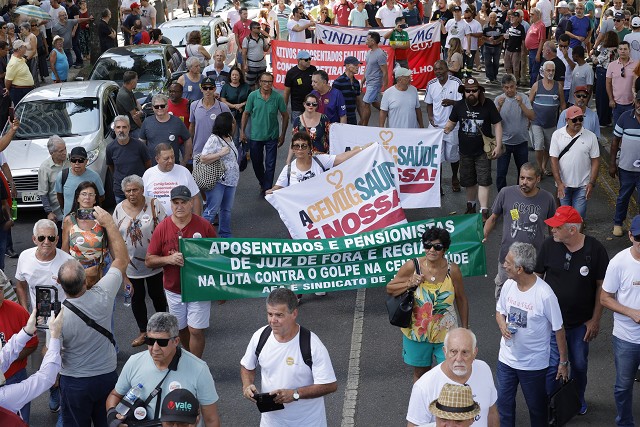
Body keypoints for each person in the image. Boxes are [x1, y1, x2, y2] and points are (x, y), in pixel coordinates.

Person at [57, 205, 127, 427]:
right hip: (106, 376)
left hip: (74, 382)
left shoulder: (57, 317)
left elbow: (51, 353)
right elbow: (121, 260)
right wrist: (110, 224)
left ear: (59, 284)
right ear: (86, 281)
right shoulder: (103, 295)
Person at [535, 205, 609, 416]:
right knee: (552, 367)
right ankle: (553, 403)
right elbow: (537, 279)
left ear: (572, 230)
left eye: (557, 228)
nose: (552, 231)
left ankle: (576, 399)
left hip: (580, 325)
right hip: (551, 323)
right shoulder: (549, 245)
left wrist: (595, 320)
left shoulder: (595, 250)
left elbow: (601, 287)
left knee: (579, 365)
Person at [495, 242, 568, 427]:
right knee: (504, 406)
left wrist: (563, 362)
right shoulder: (508, 285)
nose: (504, 265)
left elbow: (558, 329)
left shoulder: (545, 294)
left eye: (508, 263)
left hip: (533, 365)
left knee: (537, 410)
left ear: (520, 269)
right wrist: (502, 325)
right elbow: (499, 311)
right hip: (506, 360)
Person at [240, 288, 338, 425]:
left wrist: (295, 394)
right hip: (271, 422)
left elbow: (330, 385)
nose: (273, 320)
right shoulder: (260, 336)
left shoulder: (312, 344)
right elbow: (247, 366)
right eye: (269, 314)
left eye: (279, 315)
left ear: (294, 313)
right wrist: (247, 385)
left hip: (307, 423)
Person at [106, 313, 220, 426]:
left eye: (162, 342)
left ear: (176, 341)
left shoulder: (199, 369)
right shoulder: (134, 362)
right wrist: (112, 416)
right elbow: (115, 395)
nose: (155, 348)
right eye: (150, 341)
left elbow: (211, 419)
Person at [386, 227, 469, 382]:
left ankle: (443, 405)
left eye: (437, 247)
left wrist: (464, 329)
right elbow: (390, 288)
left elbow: (461, 299)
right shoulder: (413, 266)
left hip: (446, 334)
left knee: (449, 375)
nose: (431, 250)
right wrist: (409, 283)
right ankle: (422, 405)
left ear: (445, 249)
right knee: (421, 375)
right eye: (427, 245)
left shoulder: (453, 270)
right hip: (417, 333)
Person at [146, 186, 216, 359]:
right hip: (173, 289)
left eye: (183, 202)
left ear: (191, 203)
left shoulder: (204, 226)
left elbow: (218, 256)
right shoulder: (163, 227)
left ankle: (196, 364)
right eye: (175, 203)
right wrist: (168, 260)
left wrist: (219, 289)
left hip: (199, 288)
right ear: (171, 204)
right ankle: (190, 358)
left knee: (196, 330)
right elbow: (149, 260)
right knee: (181, 329)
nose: (179, 206)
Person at [483, 162, 555, 299]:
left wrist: (553, 249)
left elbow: (553, 227)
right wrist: (484, 233)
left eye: (529, 179)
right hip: (507, 257)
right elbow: (493, 218)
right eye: (522, 178)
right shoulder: (506, 193)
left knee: (531, 296)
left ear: (538, 179)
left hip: (534, 260)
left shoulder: (547, 198)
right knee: (503, 294)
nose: (524, 182)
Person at [113, 175, 166, 347]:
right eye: (128, 191)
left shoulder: (154, 204)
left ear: (142, 189)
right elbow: (114, 238)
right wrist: (118, 264)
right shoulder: (118, 209)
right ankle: (143, 331)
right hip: (130, 266)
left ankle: (162, 328)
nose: (131, 194)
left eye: (135, 190)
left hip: (153, 263)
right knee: (137, 298)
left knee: (157, 295)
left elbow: (164, 230)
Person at [406, 328, 498, 427]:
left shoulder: (484, 369)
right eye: (453, 351)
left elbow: (492, 412)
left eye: (465, 352)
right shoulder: (423, 387)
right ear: (444, 352)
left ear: (474, 352)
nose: (459, 359)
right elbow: (413, 425)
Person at [600, 214, 640, 427]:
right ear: (631, 236)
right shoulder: (619, 262)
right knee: (624, 385)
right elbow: (605, 297)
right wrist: (631, 312)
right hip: (626, 338)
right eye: (639, 237)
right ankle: (625, 422)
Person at [444, 77, 502, 219]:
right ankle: (470, 206)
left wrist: (499, 145)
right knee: (468, 181)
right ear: (464, 92)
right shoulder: (459, 106)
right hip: (465, 152)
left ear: (479, 91)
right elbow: (450, 123)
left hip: (483, 151)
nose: (471, 93)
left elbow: (498, 124)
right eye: (467, 91)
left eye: (474, 90)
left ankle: (484, 211)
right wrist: (444, 130)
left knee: (483, 181)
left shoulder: (488, 104)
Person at [0, 303, 64, 422]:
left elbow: (4, 356)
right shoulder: (4, 398)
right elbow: (45, 378)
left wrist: (27, 331)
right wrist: (55, 337)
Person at [241, 72, 288, 197]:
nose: (267, 84)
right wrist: (242, 132)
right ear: (260, 82)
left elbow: (285, 115)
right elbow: (246, 114)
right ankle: (263, 182)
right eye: (264, 81)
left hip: (272, 136)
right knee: (257, 163)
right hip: (255, 136)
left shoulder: (277, 97)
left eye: (269, 82)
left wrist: (283, 134)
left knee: (270, 164)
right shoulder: (253, 96)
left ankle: (267, 188)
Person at [268, 131, 365, 192]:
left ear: (310, 148)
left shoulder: (320, 160)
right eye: (296, 146)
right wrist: (271, 191)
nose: (300, 149)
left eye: (304, 146)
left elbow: (341, 158)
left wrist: (363, 149)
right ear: (293, 149)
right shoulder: (288, 169)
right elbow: (279, 187)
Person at [549, 105, 600, 220]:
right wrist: (559, 183)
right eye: (574, 119)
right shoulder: (557, 135)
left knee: (578, 218)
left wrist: (591, 183)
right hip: (564, 185)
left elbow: (596, 160)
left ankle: (577, 235)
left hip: (583, 185)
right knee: (564, 218)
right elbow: (553, 160)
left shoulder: (591, 136)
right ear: (567, 120)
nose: (578, 122)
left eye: (581, 119)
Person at [61, 181, 109, 287]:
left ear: (95, 199)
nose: (87, 197)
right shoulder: (69, 220)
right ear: (77, 198)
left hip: (100, 269)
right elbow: (64, 249)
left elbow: (112, 246)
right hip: (77, 270)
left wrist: (123, 276)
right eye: (83, 194)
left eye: (91, 194)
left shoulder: (103, 218)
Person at [200, 112, 239, 237]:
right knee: (212, 210)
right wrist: (220, 154)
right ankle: (198, 235)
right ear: (227, 124)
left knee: (226, 210)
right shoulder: (214, 139)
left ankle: (225, 234)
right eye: (232, 122)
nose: (234, 124)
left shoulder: (229, 137)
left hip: (231, 181)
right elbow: (203, 158)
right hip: (218, 181)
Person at [426, 60, 462, 193]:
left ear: (447, 69)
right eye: (436, 69)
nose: (438, 72)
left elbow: (463, 103)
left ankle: (454, 177)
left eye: (441, 69)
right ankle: (438, 184)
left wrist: (452, 102)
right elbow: (429, 103)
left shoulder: (456, 82)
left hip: (452, 126)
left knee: (453, 155)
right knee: (437, 158)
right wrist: (430, 117)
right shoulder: (431, 84)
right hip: (436, 128)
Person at [494, 74, 534, 192]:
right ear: (502, 87)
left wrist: (521, 104)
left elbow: (532, 116)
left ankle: (520, 195)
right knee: (501, 173)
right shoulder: (498, 99)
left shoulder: (523, 98)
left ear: (516, 86)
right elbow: (493, 122)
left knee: (523, 174)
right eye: (506, 87)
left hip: (521, 142)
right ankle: (502, 197)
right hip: (504, 143)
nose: (509, 90)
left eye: (512, 87)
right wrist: (499, 107)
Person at [610, 92, 640, 236]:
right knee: (623, 197)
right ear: (635, 101)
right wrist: (612, 164)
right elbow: (615, 141)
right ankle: (618, 223)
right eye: (639, 101)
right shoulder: (624, 117)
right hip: (626, 168)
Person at [142, 144, 202, 216]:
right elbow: (142, 200)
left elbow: (195, 198)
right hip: (156, 222)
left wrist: (196, 220)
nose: (170, 161)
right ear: (157, 159)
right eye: (166, 158)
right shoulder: (148, 174)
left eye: (172, 157)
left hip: (182, 221)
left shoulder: (184, 172)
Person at [529, 61, 566, 177]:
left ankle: (544, 166)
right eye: (548, 70)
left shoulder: (558, 86)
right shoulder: (537, 85)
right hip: (537, 122)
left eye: (552, 70)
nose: (550, 73)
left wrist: (563, 120)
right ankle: (539, 168)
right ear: (543, 71)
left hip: (551, 123)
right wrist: (527, 119)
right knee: (539, 144)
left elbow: (563, 104)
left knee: (549, 147)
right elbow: (529, 103)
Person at [107, 115, 151, 203]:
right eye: (118, 127)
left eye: (124, 127)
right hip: (120, 192)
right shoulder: (110, 148)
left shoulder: (140, 145)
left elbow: (148, 165)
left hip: (138, 191)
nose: (121, 130)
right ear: (114, 129)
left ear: (129, 128)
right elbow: (111, 167)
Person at [189, 76, 231, 164]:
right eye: (205, 88)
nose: (208, 90)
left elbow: (233, 123)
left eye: (210, 88)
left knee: (216, 177)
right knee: (198, 177)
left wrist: (228, 141)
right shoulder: (194, 105)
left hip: (217, 150)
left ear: (215, 89)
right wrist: (190, 147)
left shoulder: (222, 107)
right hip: (198, 150)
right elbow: (192, 126)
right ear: (201, 89)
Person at [141, 95, 192, 166]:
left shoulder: (177, 122)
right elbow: (141, 143)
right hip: (153, 167)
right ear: (152, 108)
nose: (159, 108)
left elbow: (188, 139)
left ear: (167, 106)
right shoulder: (147, 122)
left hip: (173, 166)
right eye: (156, 106)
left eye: (162, 106)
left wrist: (185, 161)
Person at [54, 146, 105, 217]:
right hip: (69, 219)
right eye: (74, 160)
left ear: (86, 161)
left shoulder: (95, 177)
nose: (77, 163)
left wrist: (88, 208)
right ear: (70, 161)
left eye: (80, 160)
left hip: (88, 218)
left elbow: (101, 197)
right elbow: (59, 196)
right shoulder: (62, 175)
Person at [38, 135, 69, 238]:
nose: (64, 152)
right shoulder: (45, 167)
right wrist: (49, 212)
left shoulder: (71, 160)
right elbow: (43, 193)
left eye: (65, 148)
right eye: (60, 151)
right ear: (52, 153)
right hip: (57, 213)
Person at [360, 31, 387, 126]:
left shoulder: (380, 54)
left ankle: (364, 125)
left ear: (373, 41)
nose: (366, 42)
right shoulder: (369, 52)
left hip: (375, 83)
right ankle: (389, 113)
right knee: (375, 103)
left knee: (366, 103)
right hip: (369, 82)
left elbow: (385, 72)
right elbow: (367, 68)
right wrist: (362, 80)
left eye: (368, 40)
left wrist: (386, 87)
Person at [607, 41, 636, 126]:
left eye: (625, 49)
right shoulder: (611, 65)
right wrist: (611, 99)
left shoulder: (636, 65)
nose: (623, 51)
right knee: (617, 129)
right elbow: (608, 83)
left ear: (629, 50)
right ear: (618, 51)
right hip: (616, 104)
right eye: (621, 49)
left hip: (631, 104)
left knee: (629, 127)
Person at [284, 50, 317, 124]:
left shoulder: (313, 69)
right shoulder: (291, 73)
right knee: (297, 128)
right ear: (299, 60)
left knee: (311, 128)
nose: (309, 61)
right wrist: (284, 108)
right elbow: (286, 92)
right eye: (306, 59)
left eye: (310, 59)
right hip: (297, 106)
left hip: (311, 104)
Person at [593, 31, 618, 127]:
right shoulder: (617, 51)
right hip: (613, 76)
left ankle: (602, 120)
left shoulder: (606, 51)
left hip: (603, 74)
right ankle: (608, 119)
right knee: (609, 97)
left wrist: (594, 56)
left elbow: (596, 61)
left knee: (601, 98)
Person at [220, 66, 250, 146]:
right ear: (230, 76)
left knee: (247, 135)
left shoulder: (246, 86)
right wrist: (234, 106)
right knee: (235, 137)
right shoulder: (226, 86)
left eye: (236, 75)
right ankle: (236, 155)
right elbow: (222, 100)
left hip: (244, 114)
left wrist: (241, 105)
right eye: (233, 75)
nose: (234, 77)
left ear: (240, 76)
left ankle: (246, 152)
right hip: (231, 115)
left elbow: (250, 99)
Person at [332, 56, 363, 125]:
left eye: (357, 65)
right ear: (348, 66)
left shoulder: (356, 83)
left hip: (353, 117)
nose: (357, 67)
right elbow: (333, 102)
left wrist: (362, 118)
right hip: (340, 117)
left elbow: (358, 102)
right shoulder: (338, 82)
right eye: (355, 65)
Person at [4, 40, 34, 107]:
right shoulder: (13, 63)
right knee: (21, 111)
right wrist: (7, 89)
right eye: (24, 47)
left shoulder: (21, 59)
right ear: (19, 49)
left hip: (25, 90)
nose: (26, 48)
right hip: (19, 91)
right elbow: (8, 79)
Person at [116, 71, 144, 138]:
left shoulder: (129, 90)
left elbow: (136, 102)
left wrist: (141, 111)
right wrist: (143, 128)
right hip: (132, 129)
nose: (137, 82)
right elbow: (135, 117)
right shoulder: (124, 95)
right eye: (136, 80)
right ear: (132, 82)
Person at [242, 21, 270, 88]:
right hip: (252, 66)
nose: (259, 29)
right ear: (252, 29)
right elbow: (244, 53)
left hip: (262, 65)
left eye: (259, 28)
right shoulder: (247, 39)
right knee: (251, 84)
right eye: (257, 28)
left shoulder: (262, 38)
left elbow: (265, 49)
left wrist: (269, 44)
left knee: (261, 84)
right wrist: (245, 64)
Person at [503, 11, 525, 85]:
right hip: (508, 48)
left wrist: (523, 51)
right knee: (507, 66)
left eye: (514, 17)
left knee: (516, 67)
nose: (512, 19)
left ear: (518, 18)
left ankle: (515, 81)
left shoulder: (521, 28)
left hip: (516, 50)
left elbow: (523, 40)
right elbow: (505, 35)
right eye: (511, 17)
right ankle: (509, 80)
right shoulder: (509, 26)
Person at [525, 8, 545, 87]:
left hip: (535, 50)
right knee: (531, 70)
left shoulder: (541, 25)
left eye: (532, 14)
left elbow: (542, 40)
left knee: (535, 71)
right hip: (531, 50)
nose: (530, 16)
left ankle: (533, 88)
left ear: (537, 15)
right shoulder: (533, 24)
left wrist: (538, 54)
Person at [482, 12, 504, 84]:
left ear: (496, 18)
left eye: (494, 17)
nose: (492, 19)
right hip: (487, 46)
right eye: (491, 17)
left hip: (497, 47)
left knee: (496, 63)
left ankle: (494, 77)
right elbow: (482, 36)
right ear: (489, 18)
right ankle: (488, 77)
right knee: (487, 62)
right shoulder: (485, 26)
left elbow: (502, 36)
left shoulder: (500, 26)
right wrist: (488, 39)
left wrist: (497, 41)